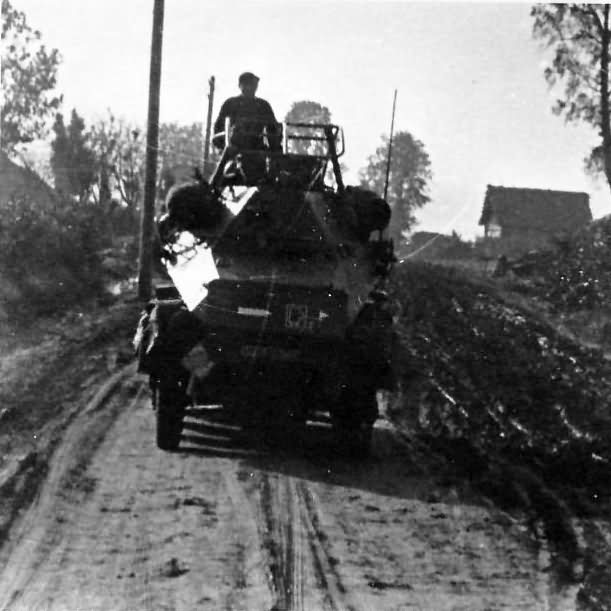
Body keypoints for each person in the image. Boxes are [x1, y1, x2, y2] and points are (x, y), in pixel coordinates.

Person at [212, 72, 281, 152]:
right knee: (225, 162)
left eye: (253, 85)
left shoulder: (263, 105)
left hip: (257, 148)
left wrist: (274, 148)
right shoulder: (231, 103)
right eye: (248, 84)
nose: (251, 88)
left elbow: (273, 129)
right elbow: (218, 128)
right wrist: (225, 145)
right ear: (240, 86)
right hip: (235, 147)